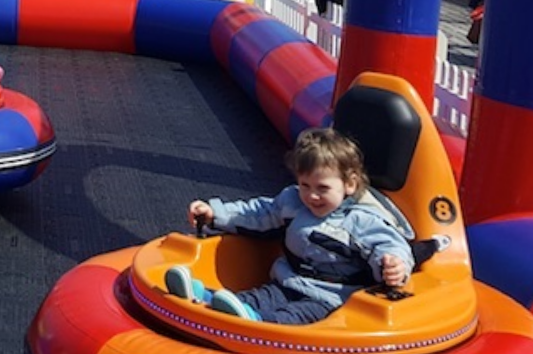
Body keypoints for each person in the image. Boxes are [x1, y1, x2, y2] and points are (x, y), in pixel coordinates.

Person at [164, 127, 413, 324]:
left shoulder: (361, 219)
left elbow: (389, 244)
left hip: (329, 299)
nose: (312, 196)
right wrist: (214, 213)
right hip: (287, 282)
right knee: (255, 298)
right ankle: (206, 298)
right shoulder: (293, 202)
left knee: (291, 317)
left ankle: (256, 324)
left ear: (349, 184)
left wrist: (393, 266)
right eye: (305, 185)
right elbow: (258, 213)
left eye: (322, 188)